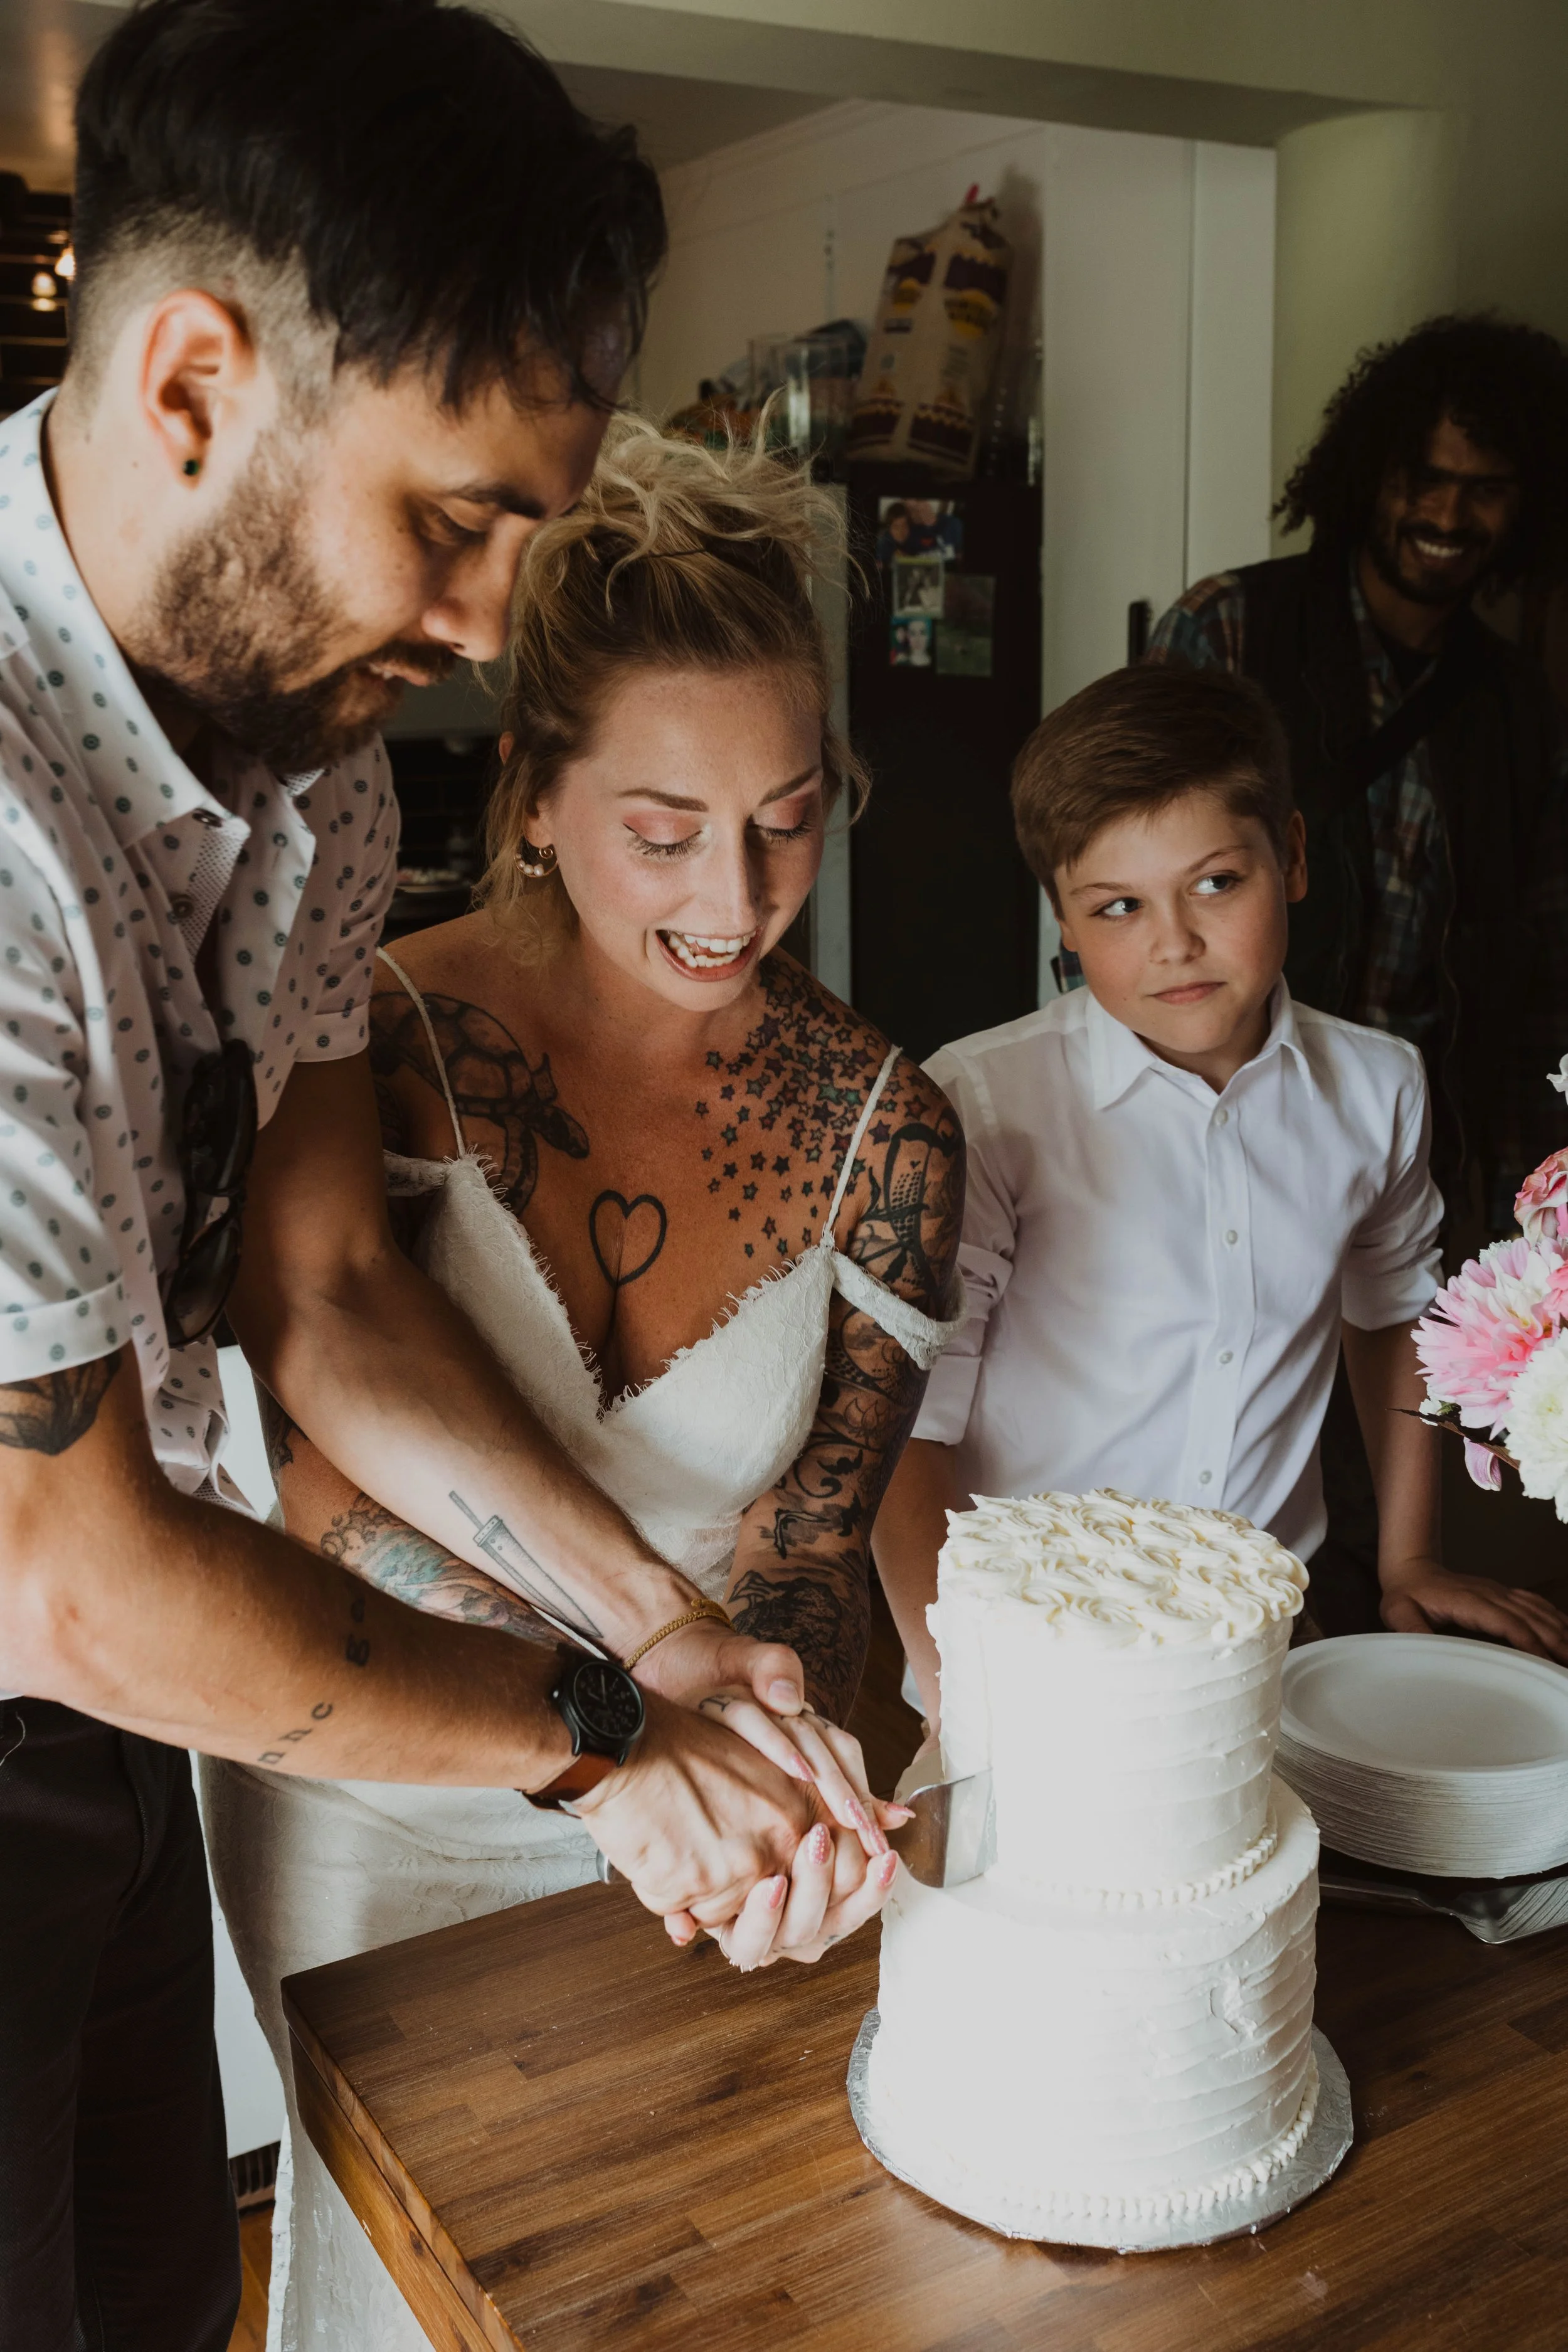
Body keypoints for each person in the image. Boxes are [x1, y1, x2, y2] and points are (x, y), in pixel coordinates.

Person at [0, 8, 891, 2348]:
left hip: (100, 1740)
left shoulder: (324, 779)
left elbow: (322, 1299)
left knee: (157, 2297)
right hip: (66, 1633)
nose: (500, 629)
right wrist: (600, 1748)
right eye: (456, 518)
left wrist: (664, 1631)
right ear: (193, 379)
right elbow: (59, 1571)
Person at [205, 411, 963, 2351]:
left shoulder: (887, 1131)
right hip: (377, 1787)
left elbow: (801, 1553)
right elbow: (310, 1473)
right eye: (664, 827)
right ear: (533, 793)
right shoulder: (367, 1029)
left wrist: (780, 1804)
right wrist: (619, 1729)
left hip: (699, 1825)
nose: (741, 889)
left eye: (790, 813)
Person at [872, 664, 1568, 1733]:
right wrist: (963, 1692)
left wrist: (1411, 1554)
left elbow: (1389, 1315)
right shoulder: (983, 1105)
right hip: (1024, 1664)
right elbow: (908, 1426)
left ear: (1288, 856)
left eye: (1214, 884)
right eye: (1117, 906)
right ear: (1061, 915)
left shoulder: (1379, 1088)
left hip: (1262, 1652)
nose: (1174, 942)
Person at [1147, 314, 1568, 1628]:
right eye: (1418, 477)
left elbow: (1536, 947)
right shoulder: (1233, 627)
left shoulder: (1515, 708)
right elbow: (1130, 875)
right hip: (1225, 1116)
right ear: (1362, 475)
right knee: (1215, 1456)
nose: (1444, 514)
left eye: (1481, 488)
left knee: (1384, 1474)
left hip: (1421, 1139)